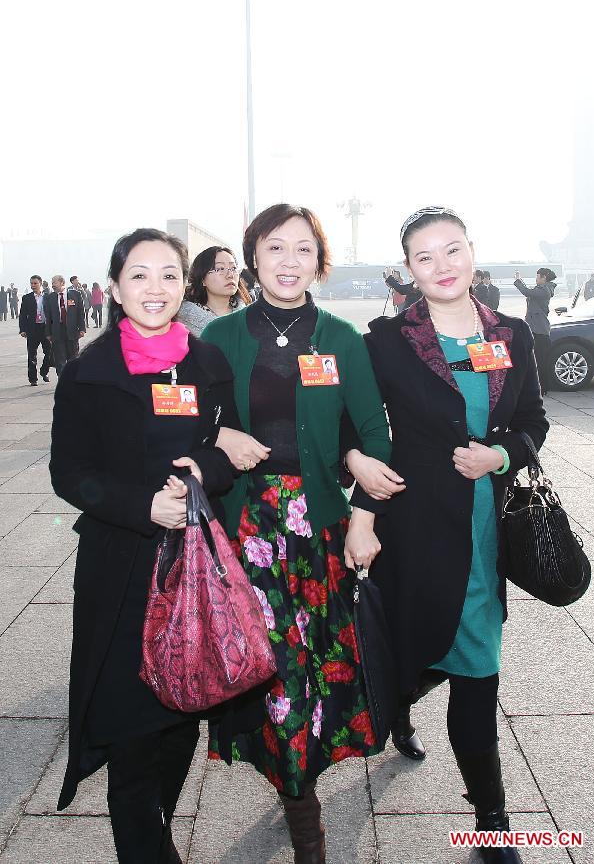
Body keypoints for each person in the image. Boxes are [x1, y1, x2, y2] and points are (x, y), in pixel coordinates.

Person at [49, 227, 260, 863]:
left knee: (179, 721)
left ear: (183, 285)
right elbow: (70, 473)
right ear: (114, 287)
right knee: (131, 734)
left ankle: (156, 826)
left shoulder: (205, 364)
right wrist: (139, 503)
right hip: (121, 572)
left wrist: (202, 470)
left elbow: (230, 450)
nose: (155, 288)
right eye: (139, 275)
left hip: (192, 569)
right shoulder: (88, 374)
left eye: (169, 274)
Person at [201, 203, 400, 863]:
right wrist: (217, 434)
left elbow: (372, 431)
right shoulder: (221, 336)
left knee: (308, 677)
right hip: (246, 531)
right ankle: (303, 815)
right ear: (252, 257)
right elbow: (181, 421)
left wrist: (364, 514)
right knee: (274, 677)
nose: (289, 262)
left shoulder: (341, 337)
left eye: (303, 250)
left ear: (320, 261)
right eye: (275, 248)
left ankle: (299, 800)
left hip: (316, 530)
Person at [350, 207, 548, 863]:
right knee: (422, 644)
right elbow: (353, 425)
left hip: (485, 533)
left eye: (451, 250)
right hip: (416, 528)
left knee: (478, 670)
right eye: (424, 257)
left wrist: (502, 457)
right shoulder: (385, 341)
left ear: (471, 253)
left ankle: (491, 824)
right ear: (409, 270)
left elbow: (531, 423)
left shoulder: (513, 335)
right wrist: (357, 472)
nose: (441, 266)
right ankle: (402, 701)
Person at [176, 245, 248, 336]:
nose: (230, 275)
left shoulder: (248, 315)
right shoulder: (183, 322)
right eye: (220, 269)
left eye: (233, 268)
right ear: (203, 279)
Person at [514, 267, 557, 395]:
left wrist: (518, 281)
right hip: (535, 328)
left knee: (540, 360)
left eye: (538, 276)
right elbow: (530, 291)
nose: (536, 278)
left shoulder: (544, 290)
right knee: (536, 359)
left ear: (544, 278)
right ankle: (540, 387)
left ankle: (543, 387)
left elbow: (527, 292)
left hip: (539, 330)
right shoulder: (543, 289)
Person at [44, 275, 86, 376]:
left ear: (62, 283)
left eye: (54, 282)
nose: (52, 285)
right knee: (60, 360)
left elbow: (80, 313)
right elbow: (48, 317)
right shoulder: (50, 297)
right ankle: (62, 385)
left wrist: (82, 329)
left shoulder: (75, 295)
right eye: (52, 282)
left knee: (73, 359)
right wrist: (48, 333)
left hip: (72, 331)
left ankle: (73, 382)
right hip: (57, 332)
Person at [18, 274, 53, 384]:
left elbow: (53, 314)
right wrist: (22, 329)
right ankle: (33, 378)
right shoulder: (27, 298)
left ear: (40, 283)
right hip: (33, 329)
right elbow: (23, 315)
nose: (33, 285)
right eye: (31, 283)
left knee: (49, 353)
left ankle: (44, 371)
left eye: (35, 283)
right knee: (32, 354)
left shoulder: (48, 297)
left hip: (46, 329)